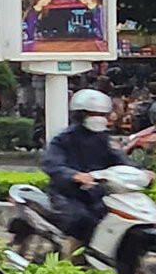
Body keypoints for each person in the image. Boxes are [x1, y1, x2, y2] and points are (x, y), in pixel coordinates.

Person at [39, 88, 128, 250]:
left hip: (97, 193)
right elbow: (51, 163)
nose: (98, 118)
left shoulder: (104, 138)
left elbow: (119, 159)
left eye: (102, 114)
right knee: (82, 219)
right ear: (80, 115)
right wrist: (74, 175)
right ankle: (69, 260)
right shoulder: (64, 138)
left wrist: (141, 172)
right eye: (93, 113)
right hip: (68, 194)